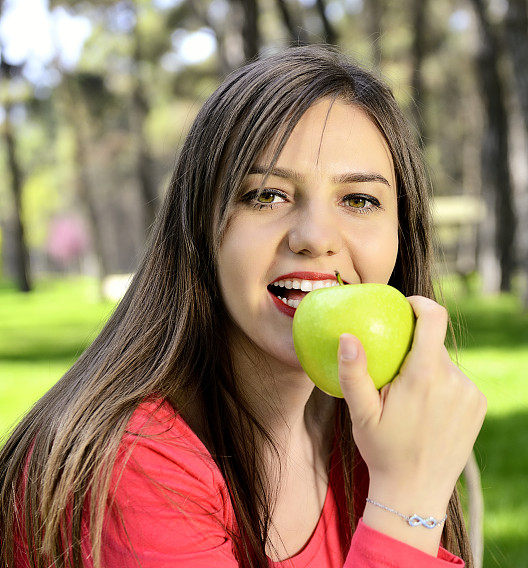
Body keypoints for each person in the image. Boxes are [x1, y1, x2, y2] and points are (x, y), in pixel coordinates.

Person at [0, 44, 487, 567]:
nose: (315, 237)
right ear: (200, 226)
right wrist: (407, 503)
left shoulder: (373, 435)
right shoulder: (134, 463)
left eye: (359, 200)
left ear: (400, 234)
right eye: (267, 195)